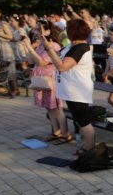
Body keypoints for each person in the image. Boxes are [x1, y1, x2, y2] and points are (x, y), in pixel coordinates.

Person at [41, 18, 96, 153]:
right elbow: (58, 58)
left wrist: (48, 48)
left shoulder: (80, 48)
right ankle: (87, 148)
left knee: (84, 122)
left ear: (73, 32)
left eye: (68, 29)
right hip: (70, 89)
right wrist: (49, 47)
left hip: (78, 90)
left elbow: (62, 66)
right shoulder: (71, 46)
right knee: (79, 120)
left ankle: (90, 151)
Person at [20, 20, 70, 142]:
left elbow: (42, 62)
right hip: (41, 79)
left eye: (39, 29)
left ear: (47, 31)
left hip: (51, 79)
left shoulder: (53, 46)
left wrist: (31, 50)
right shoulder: (40, 46)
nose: (36, 32)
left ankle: (65, 134)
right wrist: (27, 46)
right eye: (36, 29)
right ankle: (56, 131)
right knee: (48, 107)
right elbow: (31, 61)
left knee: (57, 108)